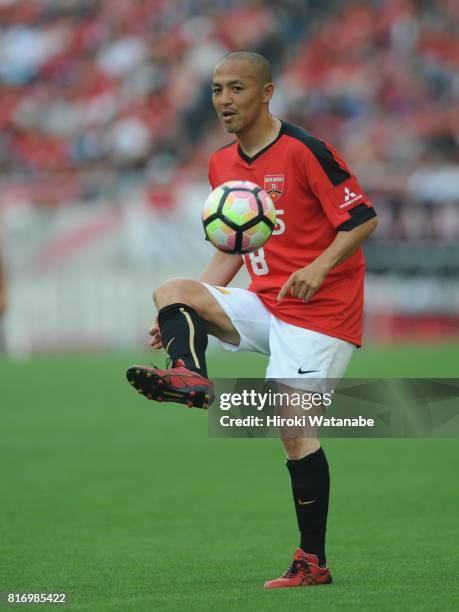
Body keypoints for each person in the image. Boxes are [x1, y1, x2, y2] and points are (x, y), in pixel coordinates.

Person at [127, 51, 378, 588]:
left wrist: (318, 266)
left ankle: (313, 562)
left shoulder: (306, 150)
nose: (223, 101)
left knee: (292, 422)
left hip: (321, 313)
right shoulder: (221, 164)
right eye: (217, 90)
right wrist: (188, 306)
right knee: (170, 289)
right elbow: (232, 246)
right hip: (267, 303)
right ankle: (187, 374)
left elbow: (362, 218)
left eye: (236, 89)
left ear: (267, 93)